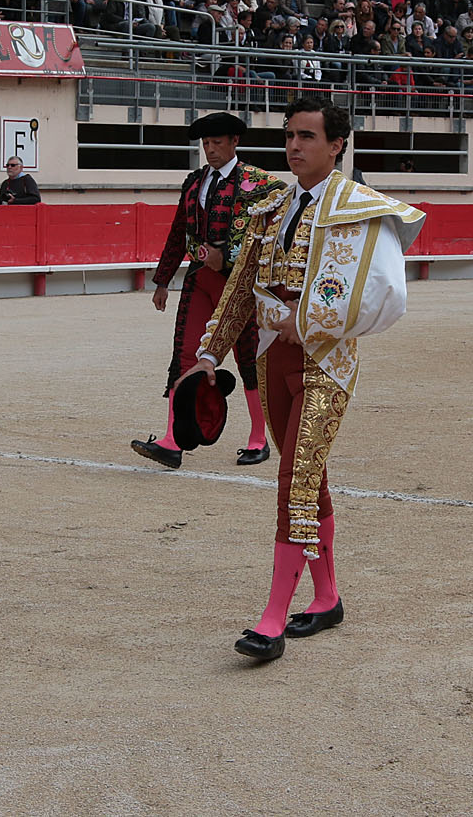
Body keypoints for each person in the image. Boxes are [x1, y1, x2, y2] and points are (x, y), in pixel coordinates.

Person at [174, 96, 425, 662]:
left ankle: (272, 617)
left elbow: (385, 293)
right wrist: (210, 355)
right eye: (290, 135)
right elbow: (240, 288)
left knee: (295, 478)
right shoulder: (269, 207)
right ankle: (328, 596)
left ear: (337, 145)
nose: (294, 146)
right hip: (273, 358)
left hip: (326, 363)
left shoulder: (360, 208)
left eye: (307, 136)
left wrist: (305, 320)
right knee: (310, 478)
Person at [131, 112, 287, 469]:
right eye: (206, 144)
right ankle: (172, 442)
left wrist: (230, 256)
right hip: (200, 280)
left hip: (240, 285)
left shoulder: (259, 184)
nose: (211, 150)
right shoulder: (194, 182)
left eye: (217, 143)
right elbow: (178, 230)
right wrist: (162, 279)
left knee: (249, 360)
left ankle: (259, 438)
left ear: (235, 142)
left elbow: (277, 228)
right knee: (184, 356)